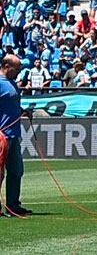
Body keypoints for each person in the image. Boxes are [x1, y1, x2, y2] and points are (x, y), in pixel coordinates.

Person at [0, 55, 29, 217]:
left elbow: (11, 106)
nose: (19, 72)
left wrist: (22, 111)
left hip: (13, 135)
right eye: (16, 69)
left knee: (16, 170)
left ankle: (13, 205)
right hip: (2, 135)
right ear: (6, 66)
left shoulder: (11, 83)